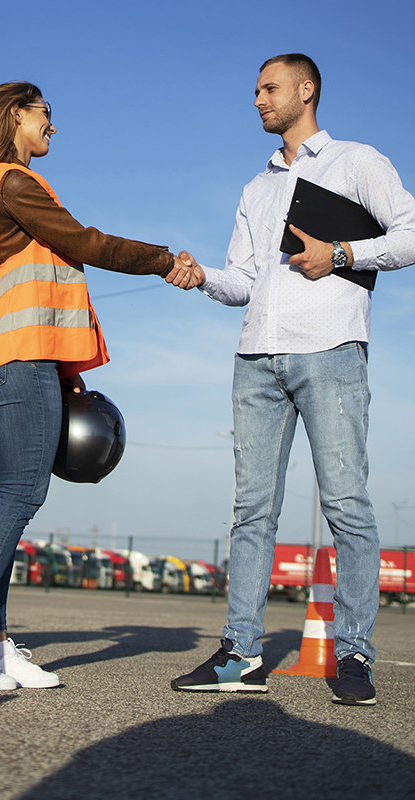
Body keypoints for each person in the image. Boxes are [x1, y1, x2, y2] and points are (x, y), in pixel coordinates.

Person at [167, 54, 415, 705]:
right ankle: (240, 652)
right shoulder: (256, 187)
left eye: (268, 88)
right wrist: (203, 279)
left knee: (347, 506)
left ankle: (354, 652)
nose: (257, 100)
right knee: (251, 511)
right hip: (256, 360)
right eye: (254, 91)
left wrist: (339, 255)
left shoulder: (357, 162)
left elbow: (410, 235)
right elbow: (243, 279)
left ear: (306, 91)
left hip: (331, 351)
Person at [0, 81, 192, 690]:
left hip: (10, 362)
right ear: (15, 114)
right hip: (17, 362)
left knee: (8, 498)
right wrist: (162, 260)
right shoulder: (16, 182)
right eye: (46, 114)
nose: (53, 125)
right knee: (21, 495)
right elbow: (86, 244)